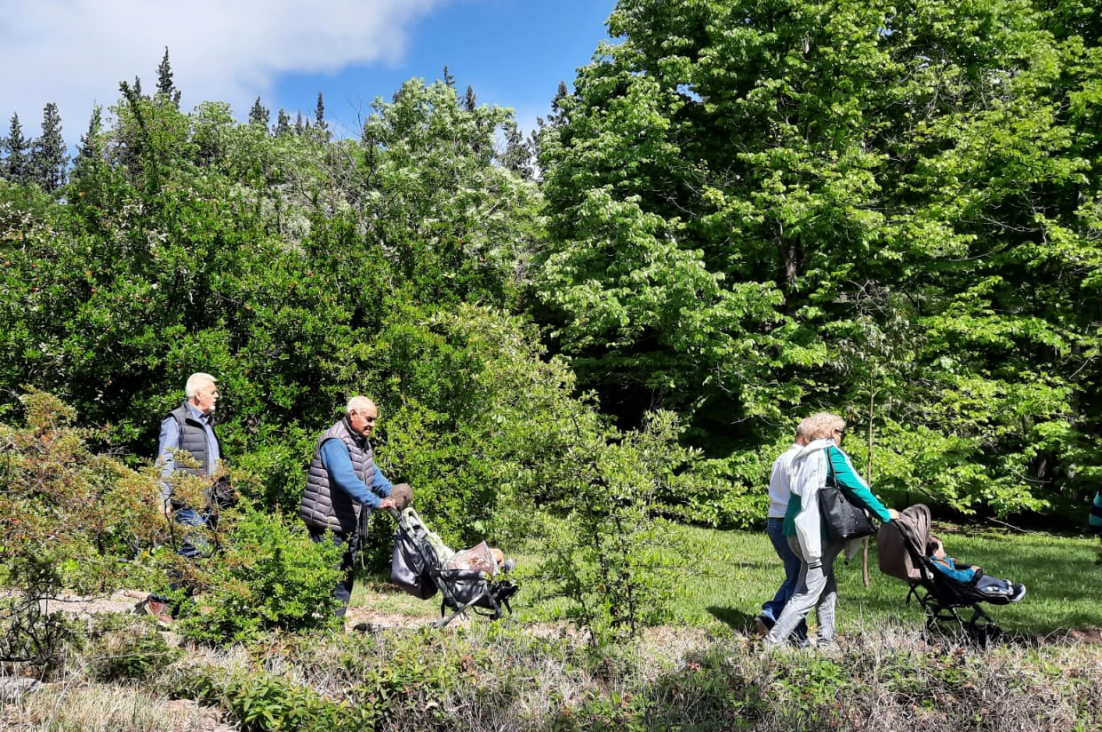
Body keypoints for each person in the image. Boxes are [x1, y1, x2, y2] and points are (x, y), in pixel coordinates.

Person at [763, 412, 899, 650]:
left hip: (794, 530)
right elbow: (854, 486)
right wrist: (884, 514)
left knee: (826, 587)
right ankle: (770, 646)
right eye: (840, 431)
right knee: (806, 593)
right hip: (818, 534)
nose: (842, 436)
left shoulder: (802, 456)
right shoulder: (829, 454)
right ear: (829, 433)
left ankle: (826, 643)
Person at [300, 396, 400, 617]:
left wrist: (392, 492)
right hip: (327, 521)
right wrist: (376, 501)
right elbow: (345, 478)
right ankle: (315, 629)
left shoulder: (359, 441)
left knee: (345, 577)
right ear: (353, 414)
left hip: (346, 521)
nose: (372, 425)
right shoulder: (335, 441)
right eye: (369, 419)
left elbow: (371, 472)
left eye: (374, 420)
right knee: (327, 578)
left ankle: (334, 627)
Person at [143, 372, 225, 624]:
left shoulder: (207, 423)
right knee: (194, 548)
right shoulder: (176, 420)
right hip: (185, 497)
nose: (216, 396)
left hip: (207, 500)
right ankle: (159, 600)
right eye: (212, 391)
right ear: (198, 394)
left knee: (194, 552)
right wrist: (162, 498)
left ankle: (180, 605)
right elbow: (165, 460)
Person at [754, 418, 811, 640]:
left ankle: (770, 614)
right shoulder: (799, 460)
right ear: (805, 438)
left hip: (775, 520)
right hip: (790, 524)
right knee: (800, 584)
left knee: (795, 576)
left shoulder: (783, 457)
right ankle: (796, 635)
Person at [926, 535, 1026, 602]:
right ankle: (1010, 591)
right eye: (942, 549)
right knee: (984, 579)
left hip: (948, 589)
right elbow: (958, 577)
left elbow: (946, 569)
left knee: (986, 579)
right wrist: (972, 571)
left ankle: (1003, 584)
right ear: (935, 551)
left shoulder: (931, 563)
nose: (944, 552)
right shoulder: (939, 566)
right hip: (962, 589)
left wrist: (949, 560)